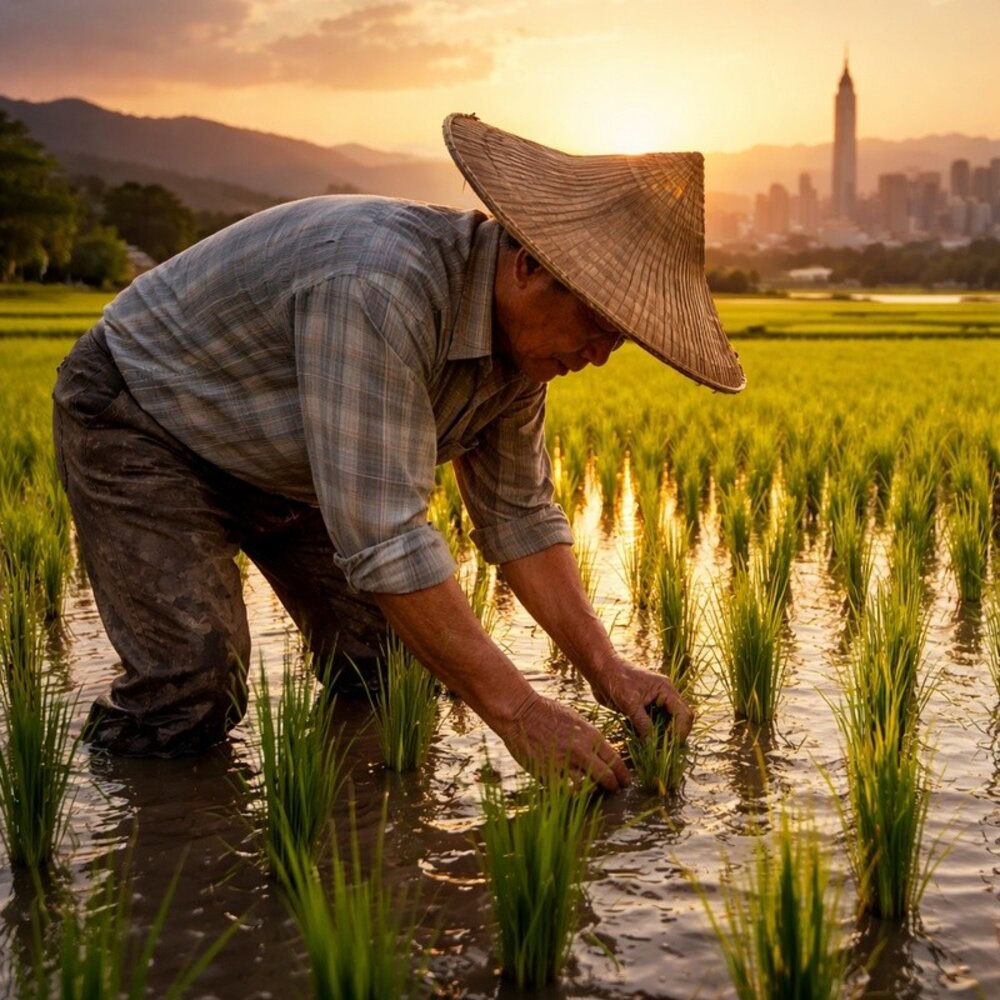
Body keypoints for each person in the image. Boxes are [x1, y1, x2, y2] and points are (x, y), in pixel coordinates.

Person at [52, 114, 745, 791]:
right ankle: (115, 818)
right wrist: (519, 711)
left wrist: (608, 669)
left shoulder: (522, 358)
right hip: (145, 419)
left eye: (617, 340)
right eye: (594, 324)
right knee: (192, 685)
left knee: (389, 664)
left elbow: (521, 519)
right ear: (530, 266)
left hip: (293, 462)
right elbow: (386, 538)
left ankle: (353, 823)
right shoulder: (380, 287)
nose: (597, 356)